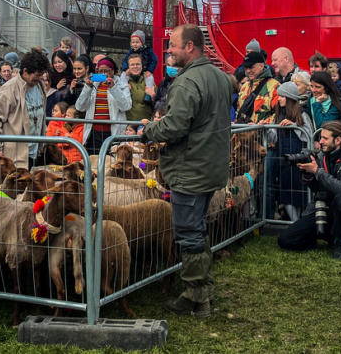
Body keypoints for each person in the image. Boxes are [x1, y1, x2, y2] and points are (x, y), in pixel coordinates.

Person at [140, 24, 231, 318]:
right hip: (209, 167)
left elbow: (176, 125)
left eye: (173, 45)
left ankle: (196, 297)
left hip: (189, 169)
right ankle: (203, 288)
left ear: (190, 47)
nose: (168, 50)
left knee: (189, 233)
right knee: (198, 230)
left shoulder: (187, 81)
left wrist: (148, 130)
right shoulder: (220, 77)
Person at [278, 121, 341, 259]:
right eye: (321, 137)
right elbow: (317, 189)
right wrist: (308, 175)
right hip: (321, 207)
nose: (321, 141)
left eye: (325, 138)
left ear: (338, 140)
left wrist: (318, 171)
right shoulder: (320, 156)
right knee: (285, 240)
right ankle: (324, 236)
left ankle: (339, 243)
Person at [0, 48, 49, 168]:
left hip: (33, 152)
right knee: (7, 186)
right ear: (25, 71)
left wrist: (41, 143)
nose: (40, 78)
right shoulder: (9, 89)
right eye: (37, 75)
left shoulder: (40, 86)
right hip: (13, 155)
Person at [268, 81, 315, 223]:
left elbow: (308, 134)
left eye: (282, 96)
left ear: (289, 98)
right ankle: (295, 223)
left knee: (300, 194)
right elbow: (274, 137)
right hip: (283, 160)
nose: (279, 99)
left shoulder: (302, 114)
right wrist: (267, 128)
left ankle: (301, 222)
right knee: (286, 194)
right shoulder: (278, 114)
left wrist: (294, 125)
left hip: (298, 159)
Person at [75, 57, 132, 155]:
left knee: (111, 162)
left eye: (107, 71)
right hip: (94, 132)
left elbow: (126, 106)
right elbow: (79, 107)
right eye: (100, 71)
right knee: (94, 161)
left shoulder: (122, 85)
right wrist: (87, 87)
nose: (104, 73)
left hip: (113, 131)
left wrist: (113, 88)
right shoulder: (93, 85)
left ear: (113, 71)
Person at [235, 51, 278, 124]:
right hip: (243, 133)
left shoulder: (274, 86)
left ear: (261, 66)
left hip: (262, 134)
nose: (248, 71)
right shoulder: (244, 86)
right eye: (246, 67)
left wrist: (263, 125)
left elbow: (279, 114)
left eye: (251, 67)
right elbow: (240, 111)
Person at [122, 31, 158, 102]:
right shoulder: (130, 51)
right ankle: (124, 88)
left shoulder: (148, 50)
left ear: (142, 42)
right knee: (123, 75)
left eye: (137, 42)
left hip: (145, 70)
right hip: (131, 72)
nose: (135, 44)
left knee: (149, 78)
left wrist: (149, 70)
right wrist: (126, 69)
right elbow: (124, 60)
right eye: (133, 42)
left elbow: (154, 60)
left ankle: (148, 94)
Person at [125, 53, 153, 122]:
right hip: (128, 125)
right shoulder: (123, 83)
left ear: (142, 66)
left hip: (145, 124)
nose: (135, 66)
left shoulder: (150, 82)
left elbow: (158, 105)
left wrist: (154, 96)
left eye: (138, 64)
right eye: (132, 64)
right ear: (128, 67)